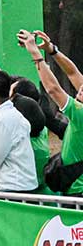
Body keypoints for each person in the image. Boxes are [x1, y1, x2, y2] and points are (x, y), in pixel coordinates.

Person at [19, 30, 83, 196]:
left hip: (77, 192)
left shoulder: (81, 114)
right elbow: (72, 73)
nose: (81, 87)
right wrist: (52, 50)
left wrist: (35, 53)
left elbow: (53, 89)